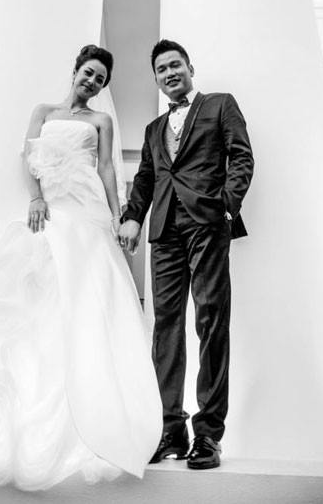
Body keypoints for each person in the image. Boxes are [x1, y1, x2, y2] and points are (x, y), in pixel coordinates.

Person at [0, 45, 162, 491]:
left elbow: (105, 169)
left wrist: (118, 218)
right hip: (54, 208)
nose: (93, 82)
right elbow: (28, 159)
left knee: (88, 295)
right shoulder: (43, 111)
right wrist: (36, 198)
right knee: (33, 295)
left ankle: (95, 406)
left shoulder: (102, 120)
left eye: (100, 79)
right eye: (89, 73)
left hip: (87, 210)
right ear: (75, 71)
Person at [118, 39, 254, 470]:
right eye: (161, 69)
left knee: (211, 320)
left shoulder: (219, 104)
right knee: (166, 328)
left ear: (190, 68)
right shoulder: (153, 129)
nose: (169, 73)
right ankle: (170, 430)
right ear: (156, 79)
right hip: (164, 232)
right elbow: (145, 178)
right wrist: (133, 217)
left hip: (206, 224)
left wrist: (225, 206)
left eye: (175, 65)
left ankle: (208, 435)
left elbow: (241, 157)